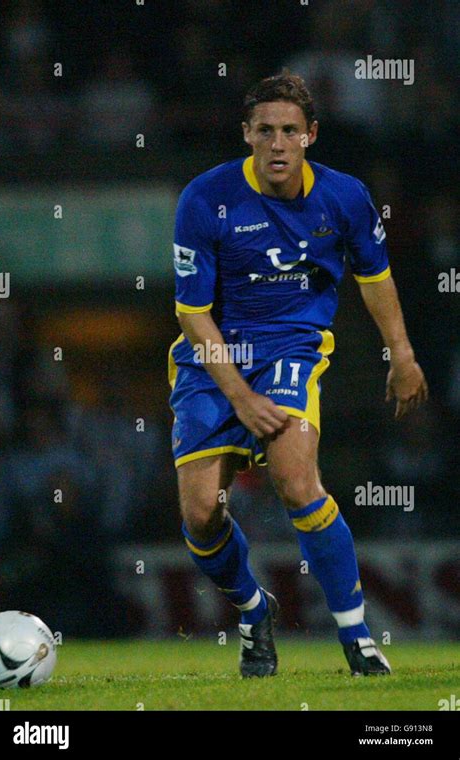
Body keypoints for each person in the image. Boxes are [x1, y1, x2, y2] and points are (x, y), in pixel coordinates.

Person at [167, 72, 428, 677]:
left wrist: (403, 354)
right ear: (247, 136)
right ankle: (256, 610)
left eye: (290, 131)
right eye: (265, 131)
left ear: (310, 136)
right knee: (202, 515)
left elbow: (376, 276)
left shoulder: (345, 198)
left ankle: (357, 638)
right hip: (212, 358)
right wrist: (237, 392)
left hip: (291, 346)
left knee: (296, 480)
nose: (278, 143)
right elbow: (191, 313)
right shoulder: (205, 199)